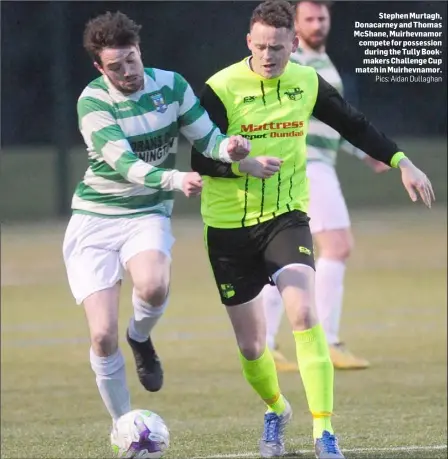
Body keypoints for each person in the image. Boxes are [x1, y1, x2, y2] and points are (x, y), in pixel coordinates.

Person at [190, 0, 434, 457]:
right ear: (249, 42)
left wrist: (401, 161)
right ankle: (276, 409)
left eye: (278, 48)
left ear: (293, 44)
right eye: (261, 47)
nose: (268, 56)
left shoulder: (305, 80)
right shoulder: (220, 88)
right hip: (228, 227)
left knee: (303, 313)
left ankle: (325, 433)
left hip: (286, 217)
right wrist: (244, 166)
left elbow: (352, 124)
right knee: (251, 344)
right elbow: (200, 162)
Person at [62, 11, 250, 445]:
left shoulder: (172, 85)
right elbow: (125, 165)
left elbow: (207, 138)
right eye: (116, 66)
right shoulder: (93, 102)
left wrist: (231, 147)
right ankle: (124, 426)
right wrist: (175, 179)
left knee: (152, 288)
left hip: (146, 213)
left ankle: (140, 337)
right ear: (99, 67)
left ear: (139, 50)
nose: (127, 72)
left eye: (132, 60)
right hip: (95, 220)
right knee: (101, 335)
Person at [263, 0, 390, 372]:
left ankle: (269, 343)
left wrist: (364, 151)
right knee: (336, 245)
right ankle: (327, 341)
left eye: (322, 17)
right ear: (295, 26)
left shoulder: (321, 60)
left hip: (314, 164)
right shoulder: (297, 61)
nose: (317, 24)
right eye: (309, 18)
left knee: (287, 254)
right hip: (306, 165)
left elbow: (333, 121)